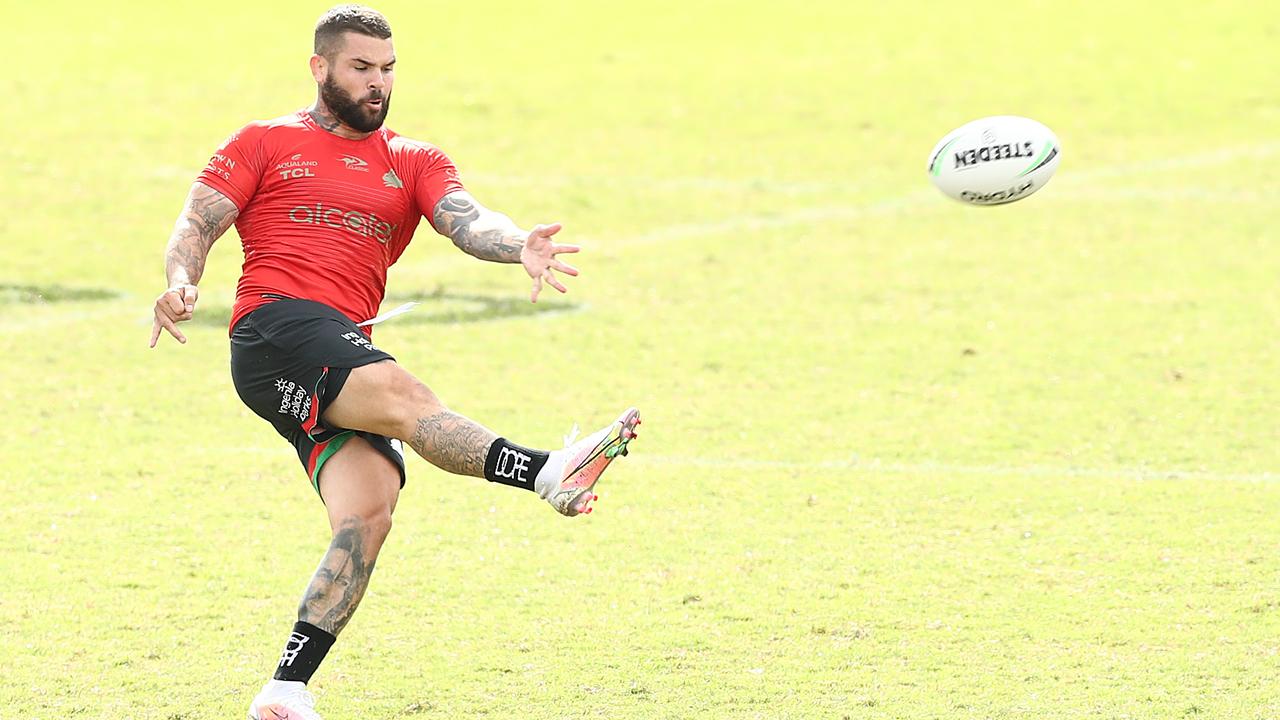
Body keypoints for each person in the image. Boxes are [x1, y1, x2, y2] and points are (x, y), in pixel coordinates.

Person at [147, 6, 640, 719]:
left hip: (322, 356)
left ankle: (285, 687)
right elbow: (198, 221)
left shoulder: (413, 159)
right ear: (320, 68)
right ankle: (545, 471)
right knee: (409, 400)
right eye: (361, 69)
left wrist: (517, 246)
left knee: (369, 509)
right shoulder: (263, 141)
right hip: (276, 326)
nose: (378, 84)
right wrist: (180, 280)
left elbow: (466, 219)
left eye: (387, 70)